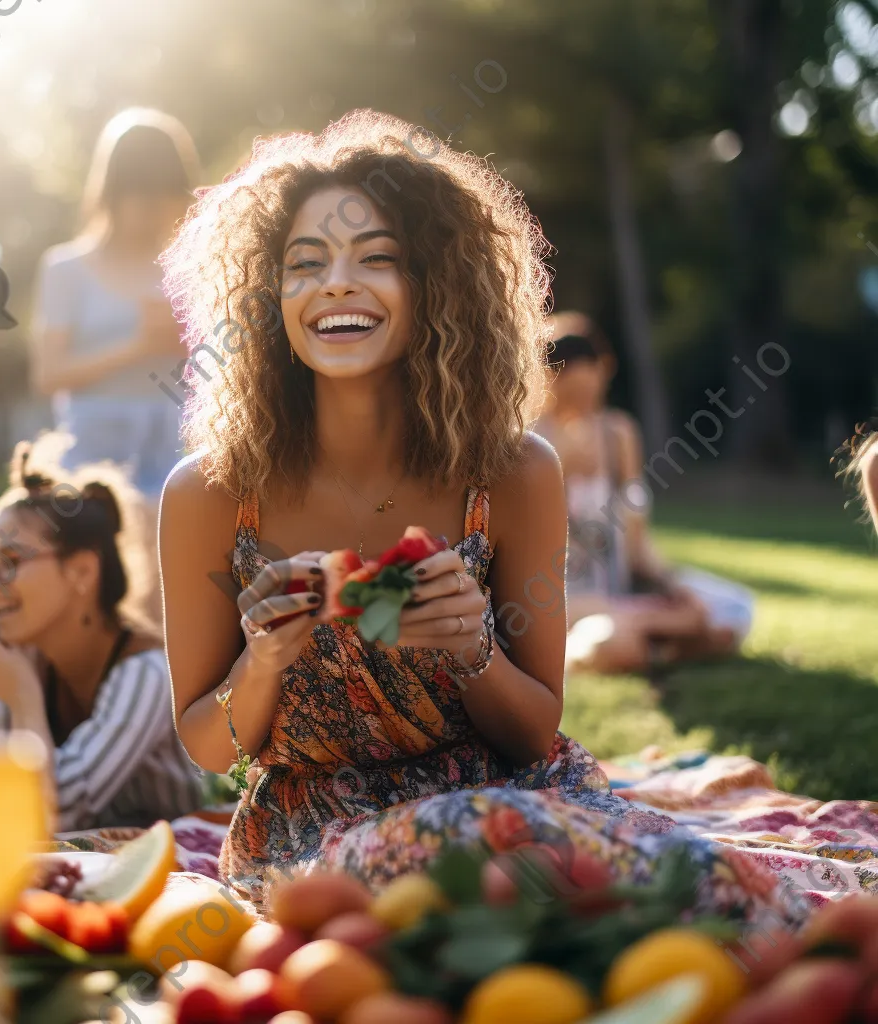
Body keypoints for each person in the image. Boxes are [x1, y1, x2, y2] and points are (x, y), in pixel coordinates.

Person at [157, 109, 807, 936]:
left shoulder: (515, 475)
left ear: (438, 285)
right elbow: (209, 748)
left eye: (378, 259)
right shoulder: (211, 494)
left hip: (513, 802)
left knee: (712, 903)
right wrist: (263, 663)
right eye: (304, 263)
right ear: (266, 296)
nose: (336, 284)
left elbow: (536, 730)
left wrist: (473, 651)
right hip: (313, 838)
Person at [0, 432, 205, 832]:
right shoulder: (14, 656)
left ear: (81, 571)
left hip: (172, 867)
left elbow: (53, 813)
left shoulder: (144, 672)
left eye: (8, 561)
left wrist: (23, 697)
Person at [30, 107, 200, 628]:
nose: (154, 211)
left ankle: (161, 698)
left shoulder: (191, 268)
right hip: (94, 452)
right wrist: (137, 345)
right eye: (142, 196)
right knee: (106, 580)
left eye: (166, 196)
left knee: (168, 586)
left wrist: (189, 346)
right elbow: (49, 373)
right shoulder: (67, 268)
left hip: (172, 441)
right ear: (112, 194)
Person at [531, 312, 752, 674]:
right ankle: (656, 642)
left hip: (621, 590)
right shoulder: (536, 442)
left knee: (736, 607)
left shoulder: (618, 434)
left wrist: (670, 583)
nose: (587, 385)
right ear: (548, 377)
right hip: (564, 598)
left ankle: (651, 641)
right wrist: (566, 460)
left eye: (592, 369)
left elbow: (636, 542)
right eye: (569, 371)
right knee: (618, 635)